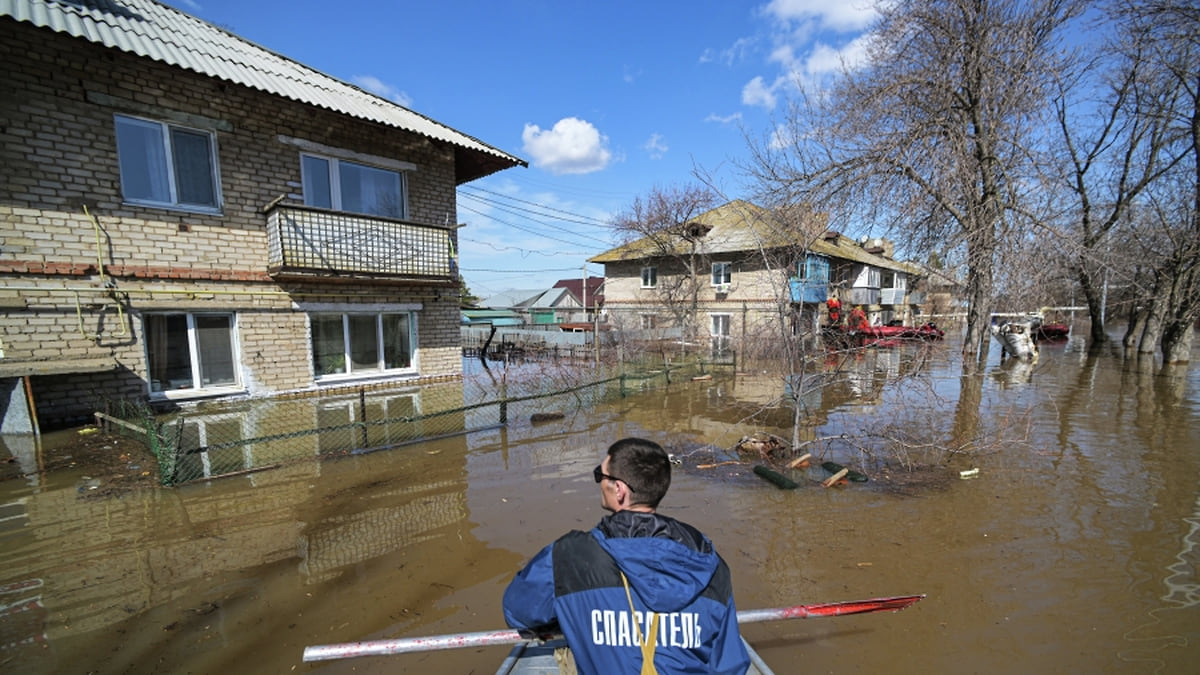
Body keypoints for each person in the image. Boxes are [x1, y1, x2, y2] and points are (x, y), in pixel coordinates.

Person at [503, 438, 750, 675]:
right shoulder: (711, 566)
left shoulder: (568, 557)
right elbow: (729, 664)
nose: (599, 481)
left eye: (600, 475)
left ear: (619, 490)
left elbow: (518, 611)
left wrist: (573, 617)